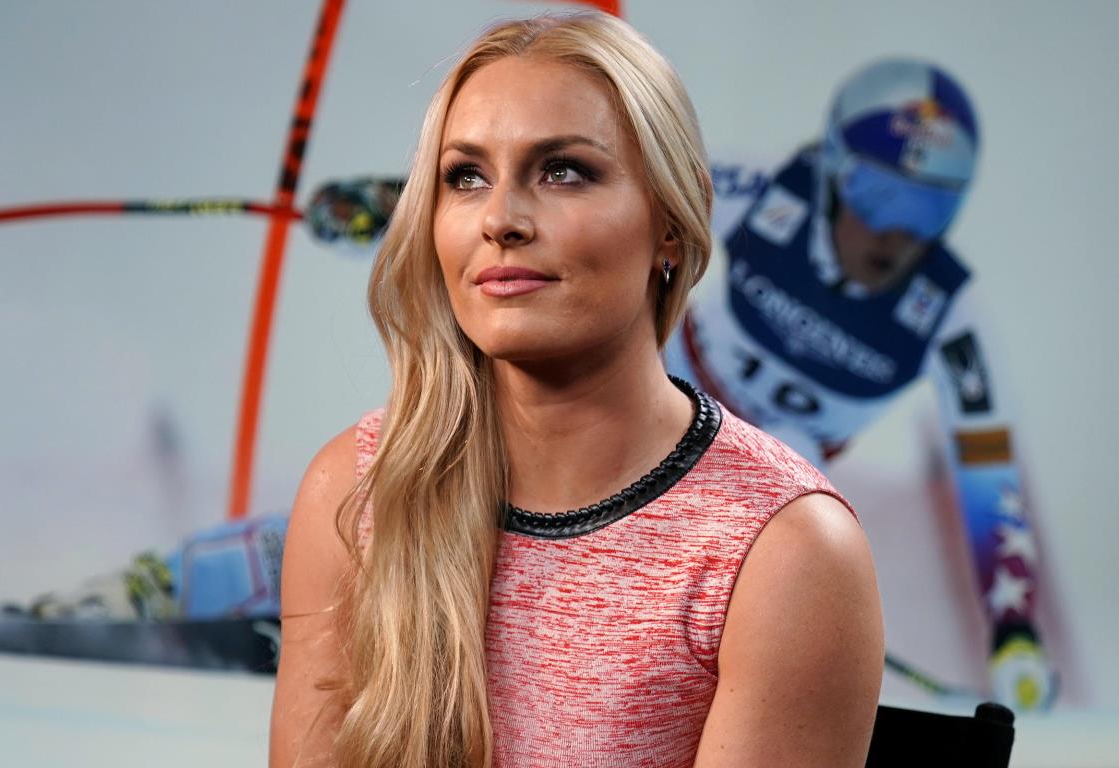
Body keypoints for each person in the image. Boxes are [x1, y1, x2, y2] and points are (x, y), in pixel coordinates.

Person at [301, 57, 1056, 713]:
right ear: (831, 166)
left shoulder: (952, 316)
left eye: (931, 207)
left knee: (783, 468)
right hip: (663, 400)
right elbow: (588, 206)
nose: (896, 234)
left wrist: (1015, 628)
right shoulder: (760, 188)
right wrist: (392, 207)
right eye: (878, 195)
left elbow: (990, 475)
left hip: (751, 480)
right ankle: (325, 572)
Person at [270, 11, 882, 768]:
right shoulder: (355, 490)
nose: (500, 219)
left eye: (562, 171)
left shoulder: (785, 550)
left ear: (673, 219)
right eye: (466, 177)